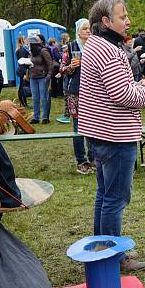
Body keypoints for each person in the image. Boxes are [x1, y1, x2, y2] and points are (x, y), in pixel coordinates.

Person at [77, 0, 145, 272]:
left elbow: (114, 88)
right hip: (115, 134)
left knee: (104, 193)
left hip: (101, 132)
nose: (128, 21)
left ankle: (102, 248)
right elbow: (122, 94)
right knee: (116, 197)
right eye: (123, 17)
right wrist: (144, 91)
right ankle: (113, 256)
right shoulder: (108, 50)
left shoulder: (96, 46)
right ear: (106, 22)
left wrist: (134, 85)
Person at [60, 18, 95, 174]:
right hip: (75, 92)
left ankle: (93, 158)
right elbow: (61, 69)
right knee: (79, 126)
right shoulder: (70, 47)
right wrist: (71, 67)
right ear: (78, 31)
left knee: (94, 125)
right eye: (85, 28)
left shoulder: (95, 46)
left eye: (90, 28)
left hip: (93, 90)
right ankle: (81, 161)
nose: (88, 31)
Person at [27, 35, 53, 124]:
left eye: (30, 44)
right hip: (33, 77)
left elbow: (50, 64)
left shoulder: (43, 51)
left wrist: (49, 75)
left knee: (44, 97)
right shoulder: (31, 53)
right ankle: (36, 117)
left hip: (43, 77)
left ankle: (45, 117)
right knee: (35, 98)